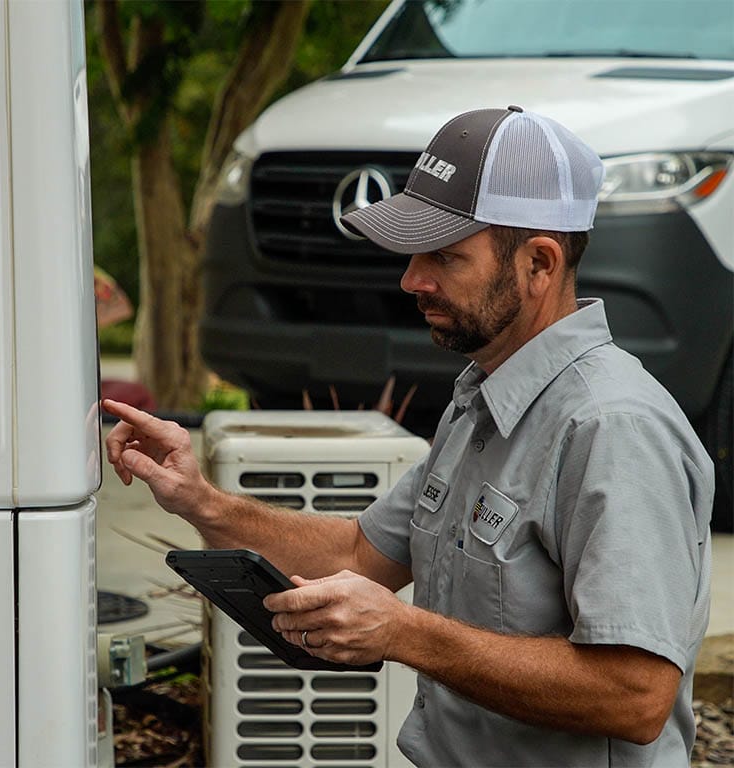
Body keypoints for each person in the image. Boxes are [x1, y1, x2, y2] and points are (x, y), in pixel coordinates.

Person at [104, 106, 714, 767]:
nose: (412, 280)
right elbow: (363, 556)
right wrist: (200, 500)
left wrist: (407, 633)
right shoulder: (480, 398)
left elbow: (637, 696)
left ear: (539, 263)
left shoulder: (611, 429)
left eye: (446, 256)